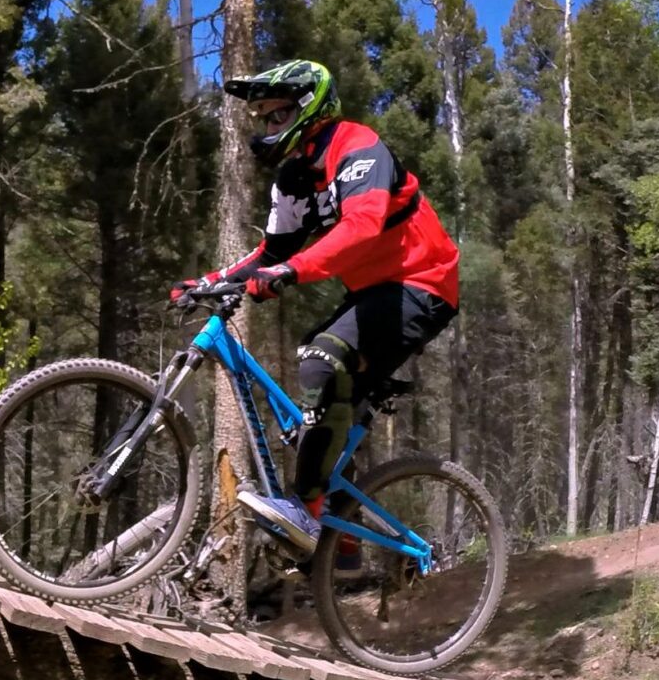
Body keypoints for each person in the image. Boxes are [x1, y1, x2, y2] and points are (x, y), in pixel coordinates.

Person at [172, 59, 459, 552]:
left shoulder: (357, 146)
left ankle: (306, 512)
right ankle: (338, 545)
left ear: (307, 107)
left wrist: (290, 272)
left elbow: (362, 227)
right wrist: (211, 281)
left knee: (323, 359)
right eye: (262, 118)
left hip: (422, 284)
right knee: (311, 408)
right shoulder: (293, 178)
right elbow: (272, 252)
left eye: (276, 115)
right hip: (373, 291)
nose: (267, 126)